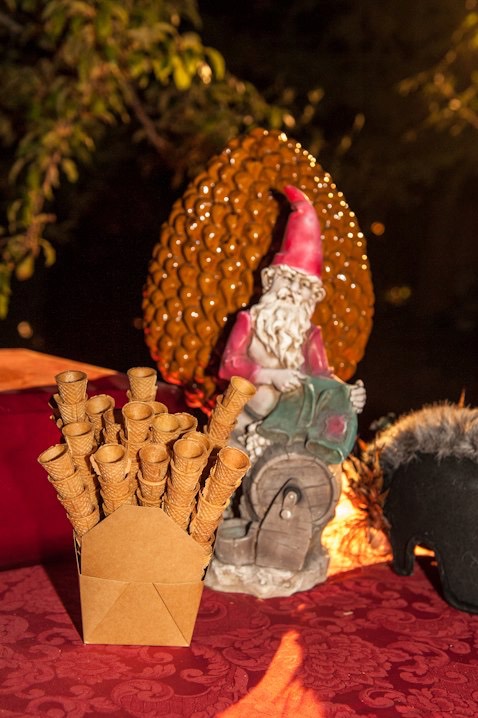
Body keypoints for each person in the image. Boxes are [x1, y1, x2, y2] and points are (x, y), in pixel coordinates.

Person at [219, 184, 365, 462]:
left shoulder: (309, 333)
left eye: (303, 286)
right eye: (288, 280)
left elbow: (321, 375)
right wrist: (269, 375)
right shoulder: (250, 321)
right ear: (271, 280)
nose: (294, 292)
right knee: (262, 403)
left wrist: (347, 393)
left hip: (296, 418)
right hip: (249, 413)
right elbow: (229, 365)